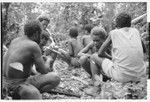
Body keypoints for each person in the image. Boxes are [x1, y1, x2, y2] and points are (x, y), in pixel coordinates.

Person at [2, 20, 60, 99]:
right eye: (40, 34)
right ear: (36, 33)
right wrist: (49, 60)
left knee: (34, 90)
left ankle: (23, 93)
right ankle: (24, 93)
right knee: (55, 78)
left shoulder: (15, 40)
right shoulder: (34, 45)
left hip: (5, 82)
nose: (40, 36)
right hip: (17, 83)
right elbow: (44, 71)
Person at [90, 12, 146, 85]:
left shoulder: (113, 33)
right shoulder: (136, 31)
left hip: (122, 76)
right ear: (130, 23)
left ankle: (96, 87)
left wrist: (111, 58)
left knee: (94, 56)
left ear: (116, 24)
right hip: (141, 75)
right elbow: (144, 50)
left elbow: (100, 53)